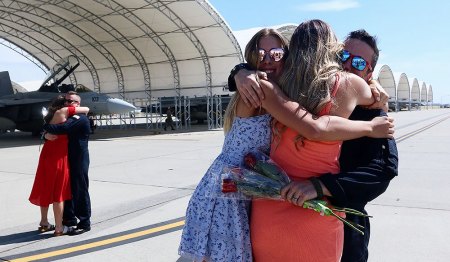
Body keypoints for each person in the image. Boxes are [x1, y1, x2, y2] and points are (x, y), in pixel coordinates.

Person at [179, 28, 393, 262]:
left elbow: (382, 172)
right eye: (344, 56)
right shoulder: (282, 91)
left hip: (341, 213)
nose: (349, 64)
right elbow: (314, 127)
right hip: (237, 189)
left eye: (359, 62)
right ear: (332, 54)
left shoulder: (369, 109)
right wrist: (241, 72)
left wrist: (323, 186)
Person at [29, 95, 89, 236]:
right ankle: (60, 227)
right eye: (68, 101)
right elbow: (63, 128)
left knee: (47, 188)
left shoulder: (54, 115)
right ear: (64, 105)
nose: (70, 104)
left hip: (49, 156)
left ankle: (45, 222)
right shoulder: (64, 113)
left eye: (73, 102)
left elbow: (58, 128)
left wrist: (45, 131)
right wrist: (45, 132)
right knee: (59, 193)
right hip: (59, 158)